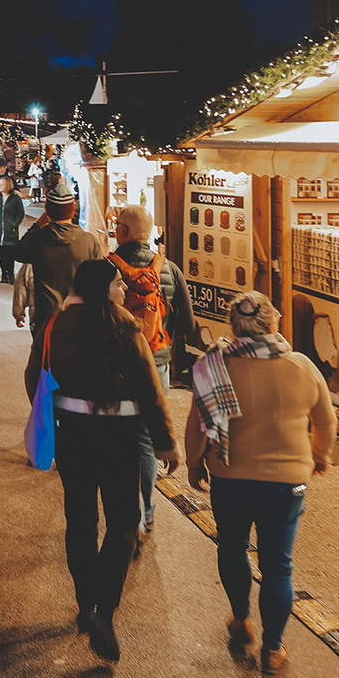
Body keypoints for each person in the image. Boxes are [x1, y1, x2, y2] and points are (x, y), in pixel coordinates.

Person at [25, 258, 179, 662]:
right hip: (120, 436)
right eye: (117, 284)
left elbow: (33, 378)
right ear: (102, 289)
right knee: (124, 523)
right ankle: (104, 612)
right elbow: (149, 387)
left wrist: (53, 421)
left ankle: (85, 603)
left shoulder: (55, 325)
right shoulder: (127, 326)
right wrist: (165, 441)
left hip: (72, 436)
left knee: (80, 519)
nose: (123, 290)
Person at [185, 291, 337, 675]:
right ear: (272, 324)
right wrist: (320, 455)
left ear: (234, 327)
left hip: (229, 477)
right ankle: (273, 649)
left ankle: (240, 619)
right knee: (278, 566)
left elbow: (198, 423)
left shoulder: (215, 365)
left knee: (232, 548)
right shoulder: (302, 367)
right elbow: (327, 420)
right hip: (286, 485)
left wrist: (193, 463)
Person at [109, 204, 196, 542]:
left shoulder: (109, 268)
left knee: (117, 437)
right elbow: (187, 324)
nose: (116, 230)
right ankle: (146, 514)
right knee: (146, 440)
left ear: (125, 232)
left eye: (118, 226)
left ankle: (121, 512)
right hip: (157, 362)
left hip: (116, 363)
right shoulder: (169, 269)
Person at [14, 185, 102, 331]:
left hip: (46, 315)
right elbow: (98, 280)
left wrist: (37, 225)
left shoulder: (38, 239)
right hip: (80, 316)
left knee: (45, 353)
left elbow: (18, 253)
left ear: (47, 211)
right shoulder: (89, 241)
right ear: (72, 211)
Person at [0, 175, 26, 284]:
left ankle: (10, 274)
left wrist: (14, 224)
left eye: (2, 184)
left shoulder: (15, 198)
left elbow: (20, 213)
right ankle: (4, 274)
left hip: (10, 233)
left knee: (10, 255)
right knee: (0, 255)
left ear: (8, 185)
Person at [12, 262, 36, 331]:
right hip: (62, 315)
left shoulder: (29, 266)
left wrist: (18, 314)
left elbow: (20, 293)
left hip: (37, 317)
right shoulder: (66, 261)